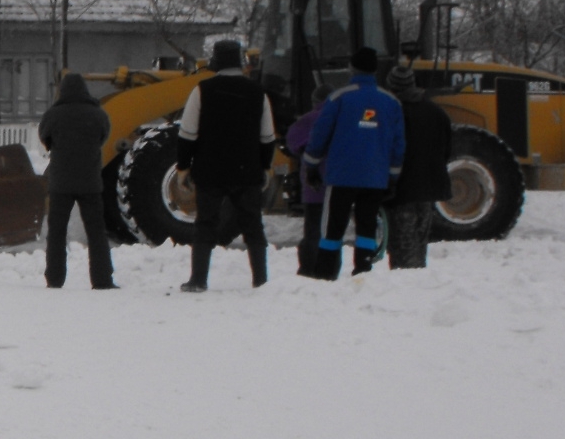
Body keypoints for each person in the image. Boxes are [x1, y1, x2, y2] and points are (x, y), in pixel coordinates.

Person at [173, 38, 277, 292]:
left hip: (210, 170)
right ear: (240, 62)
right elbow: (267, 136)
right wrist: (265, 166)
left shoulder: (202, 90)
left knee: (205, 224)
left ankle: (198, 279)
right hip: (247, 170)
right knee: (253, 225)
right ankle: (260, 279)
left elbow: (187, 134)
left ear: (216, 62)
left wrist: (183, 167)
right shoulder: (258, 92)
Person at [302, 46, 406, 279]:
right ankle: (363, 271)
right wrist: (392, 177)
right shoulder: (391, 102)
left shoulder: (339, 98)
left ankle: (325, 274)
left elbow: (320, 134)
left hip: (341, 176)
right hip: (375, 177)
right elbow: (398, 144)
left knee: (332, 227)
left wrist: (311, 165)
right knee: (367, 226)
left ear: (352, 68)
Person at [38, 72, 114, 289]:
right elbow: (104, 136)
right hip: (90, 182)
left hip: (60, 183)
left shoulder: (54, 114)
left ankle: (55, 278)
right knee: (96, 232)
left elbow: (44, 136)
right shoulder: (98, 114)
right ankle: (102, 279)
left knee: (57, 232)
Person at [384, 62, 452, 269]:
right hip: (428, 189)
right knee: (419, 245)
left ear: (392, 86)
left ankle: (406, 283)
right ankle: (417, 280)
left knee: (402, 248)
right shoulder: (436, 112)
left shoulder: (391, 113)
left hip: (401, 190)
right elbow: (446, 150)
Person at [283, 105, 326, 278]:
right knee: (332, 231)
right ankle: (329, 268)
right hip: (338, 183)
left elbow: (292, 142)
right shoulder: (342, 116)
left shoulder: (308, 119)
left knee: (313, 230)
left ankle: (308, 268)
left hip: (313, 184)